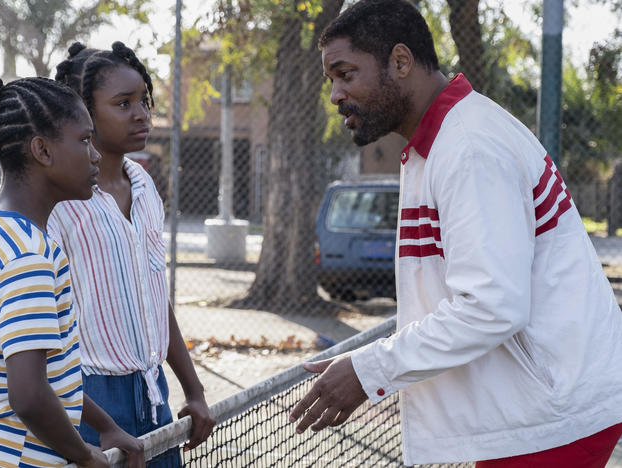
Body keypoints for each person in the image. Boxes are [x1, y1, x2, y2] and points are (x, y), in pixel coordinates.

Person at [289, 1, 622, 466]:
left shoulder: (468, 146)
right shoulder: (438, 143)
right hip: (532, 413)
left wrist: (369, 371)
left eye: (346, 74)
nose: (335, 95)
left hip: (551, 414)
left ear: (400, 62)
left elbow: (490, 306)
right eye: (331, 80)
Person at [0, 75, 145, 467]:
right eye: (84, 140)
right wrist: (83, 456)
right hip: (12, 459)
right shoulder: (28, 254)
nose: (95, 155)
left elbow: (45, 371)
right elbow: (29, 395)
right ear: (42, 151)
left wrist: (104, 425)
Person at [49, 41, 215, 466]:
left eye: (143, 99)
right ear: (84, 112)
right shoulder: (60, 201)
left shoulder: (142, 184)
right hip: (87, 399)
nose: (141, 113)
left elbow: (154, 298)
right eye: (123, 103)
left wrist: (193, 390)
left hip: (152, 391)